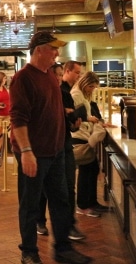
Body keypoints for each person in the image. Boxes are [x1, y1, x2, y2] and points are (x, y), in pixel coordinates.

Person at [10, 31, 91, 264]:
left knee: (61, 201)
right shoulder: (23, 78)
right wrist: (26, 152)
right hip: (34, 153)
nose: (57, 53)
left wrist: (70, 121)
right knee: (30, 205)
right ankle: (29, 252)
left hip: (55, 152)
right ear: (39, 50)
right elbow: (18, 119)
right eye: (53, 49)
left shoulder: (48, 76)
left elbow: (52, 111)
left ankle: (63, 249)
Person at [37, 61, 86, 240]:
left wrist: (74, 123)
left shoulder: (65, 93)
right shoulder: (42, 93)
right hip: (47, 146)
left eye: (59, 75)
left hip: (65, 144)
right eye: (55, 75)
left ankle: (69, 225)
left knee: (68, 186)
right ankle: (40, 221)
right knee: (44, 187)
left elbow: (71, 126)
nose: (57, 78)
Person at [71, 71, 109, 218]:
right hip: (79, 137)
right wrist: (91, 119)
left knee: (91, 169)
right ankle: (83, 205)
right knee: (87, 170)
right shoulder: (76, 94)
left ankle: (91, 202)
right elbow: (76, 116)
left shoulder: (81, 94)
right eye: (91, 86)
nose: (92, 89)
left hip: (84, 136)